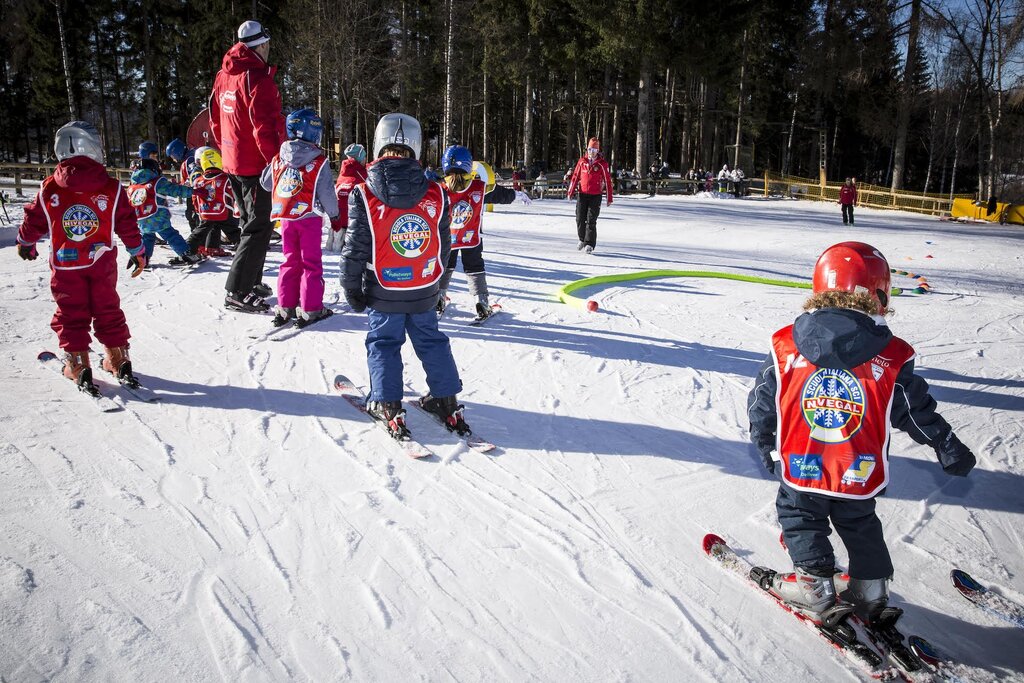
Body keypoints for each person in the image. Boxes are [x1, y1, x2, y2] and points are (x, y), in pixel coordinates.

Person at [746, 241, 976, 628]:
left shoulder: (785, 344)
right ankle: (870, 589)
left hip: (803, 462)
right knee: (860, 521)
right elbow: (914, 409)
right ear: (879, 293)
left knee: (800, 515)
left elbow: (763, 401)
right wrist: (946, 445)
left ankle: (814, 585)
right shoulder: (892, 354)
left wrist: (765, 443)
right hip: (859, 468)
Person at [340, 112, 467, 439]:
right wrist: (437, 284)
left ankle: (387, 404)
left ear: (379, 145)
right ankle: (446, 400)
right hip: (423, 287)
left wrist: (351, 287)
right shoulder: (436, 192)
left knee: (383, 343)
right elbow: (444, 244)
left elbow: (355, 248)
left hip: (385, 289)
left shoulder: (364, 193)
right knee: (431, 341)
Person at [16, 121, 148, 390]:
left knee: (71, 312)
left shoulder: (49, 188)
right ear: (94, 148)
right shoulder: (112, 188)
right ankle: (117, 357)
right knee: (107, 307)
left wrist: (25, 241)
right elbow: (127, 222)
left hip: (66, 265)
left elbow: (34, 219)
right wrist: (137, 251)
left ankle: (78, 362)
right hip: (102, 263)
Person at [209, 19, 286, 313]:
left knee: (251, 223)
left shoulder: (224, 74)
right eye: (267, 46)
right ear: (261, 45)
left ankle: (251, 280)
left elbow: (215, 118)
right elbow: (263, 128)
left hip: (233, 160)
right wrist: (275, 162)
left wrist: (226, 150)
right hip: (255, 164)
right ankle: (236, 291)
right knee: (259, 225)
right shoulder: (258, 79)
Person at [260, 108, 340, 328]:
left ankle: (286, 306)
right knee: (311, 264)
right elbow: (326, 193)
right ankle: (311, 308)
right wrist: (334, 215)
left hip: (285, 217)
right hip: (309, 217)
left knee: (289, 261)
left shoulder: (279, 157)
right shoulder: (319, 160)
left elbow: (265, 183)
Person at [435, 144, 531, 320]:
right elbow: (500, 194)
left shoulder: (440, 188)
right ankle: (481, 303)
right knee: (474, 267)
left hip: (448, 238)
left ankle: (438, 299)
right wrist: (518, 195)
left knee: (446, 266)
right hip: (471, 238)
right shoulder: (478, 186)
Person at [127, 154, 200, 266]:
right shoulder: (157, 181)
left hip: (141, 218)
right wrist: (193, 191)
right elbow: (175, 190)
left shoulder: (132, 186)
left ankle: (143, 259)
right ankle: (186, 253)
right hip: (157, 216)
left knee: (148, 236)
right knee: (170, 235)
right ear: (154, 169)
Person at [566, 137, 613, 254]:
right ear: (587, 149)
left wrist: (609, 197)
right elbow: (576, 177)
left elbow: (607, 181)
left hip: (595, 196)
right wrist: (570, 192)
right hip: (582, 194)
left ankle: (589, 244)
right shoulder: (582, 162)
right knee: (579, 218)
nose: (592, 152)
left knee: (591, 220)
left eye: (594, 150)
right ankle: (582, 239)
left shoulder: (602, 164)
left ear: (598, 151)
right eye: (590, 149)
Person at [189, 148, 234, 258]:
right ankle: (246, 248)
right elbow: (232, 192)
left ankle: (190, 247)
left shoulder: (198, 180)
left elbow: (194, 197)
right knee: (232, 231)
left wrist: (197, 209)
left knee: (202, 230)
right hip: (222, 210)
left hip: (206, 211)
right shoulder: (224, 178)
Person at [328, 143, 368, 253]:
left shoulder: (344, 171)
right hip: (354, 221)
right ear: (360, 158)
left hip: (338, 219)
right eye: (364, 157)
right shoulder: (361, 174)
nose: (366, 160)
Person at [166, 137, 201, 235]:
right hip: (194, 192)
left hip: (193, 192)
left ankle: (197, 238)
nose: (173, 159)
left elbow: (193, 177)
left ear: (178, 152)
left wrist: (181, 185)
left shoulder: (189, 160)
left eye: (173, 155)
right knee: (192, 214)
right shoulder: (190, 157)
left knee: (192, 214)